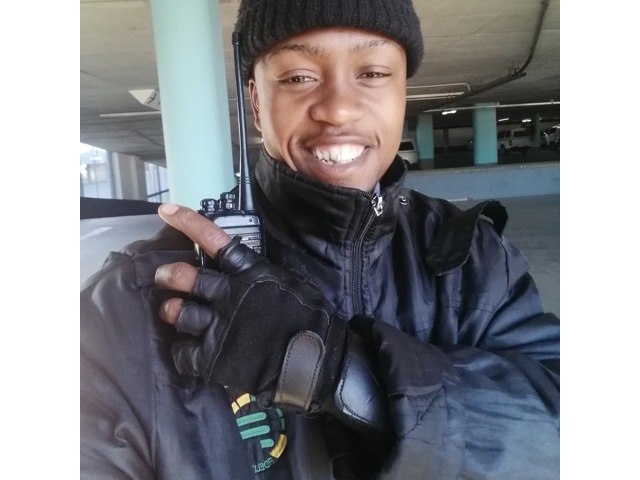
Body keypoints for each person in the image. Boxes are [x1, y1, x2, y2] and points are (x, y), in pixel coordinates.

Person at [80, 0, 560, 478]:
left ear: (402, 93)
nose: (338, 109)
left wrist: (343, 374)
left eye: (373, 73)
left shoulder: (475, 259)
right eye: (297, 77)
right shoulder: (131, 301)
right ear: (256, 104)